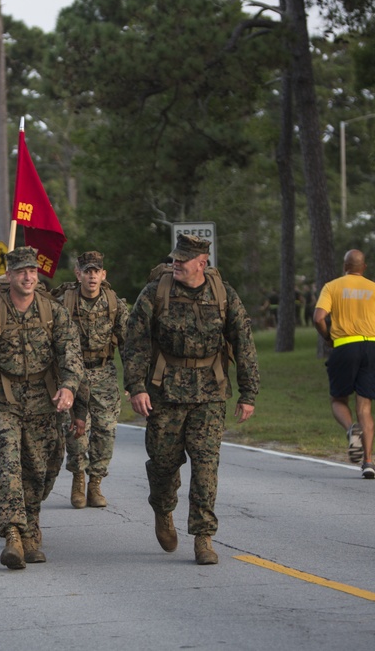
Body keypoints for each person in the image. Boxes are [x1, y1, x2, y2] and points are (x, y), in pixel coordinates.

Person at [123, 234, 259, 566]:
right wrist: (136, 387)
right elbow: (135, 342)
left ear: (203, 262)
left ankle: (203, 537)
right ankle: (162, 509)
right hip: (165, 392)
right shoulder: (156, 292)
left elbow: (243, 342)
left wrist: (248, 392)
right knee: (164, 465)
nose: (176, 264)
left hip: (210, 392)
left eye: (183, 260)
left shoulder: (223, 294)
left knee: (206, 465)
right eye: (175, 259)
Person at [0, 246, 84, 570]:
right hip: (2, 400)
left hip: (44, 401)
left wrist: (69, 387)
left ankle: (31, 525)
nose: (28, 277)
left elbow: (71, 354)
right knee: (12, 465)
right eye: (20, 272)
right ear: (9, 275)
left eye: (32, 271)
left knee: (43, 468)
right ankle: (14, 535)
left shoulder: (52, 311)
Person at [53, 251, 129, 509]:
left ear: (103, 275)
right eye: (87, 271)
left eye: (96, 271)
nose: (92, 275)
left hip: (104, 373)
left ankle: (95, 483)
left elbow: (129, 343)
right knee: (76, 431)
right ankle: (78, 479)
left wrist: (134, 382)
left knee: (106, 430)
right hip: (73, 376)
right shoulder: (65, 302)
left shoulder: (113, 302)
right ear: (78, 274)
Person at [313, 249, 375, 480]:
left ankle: (351, 429)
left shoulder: (332, 287)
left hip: (345, 346)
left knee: (338, 399)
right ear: (364, 267)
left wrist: (328, 337)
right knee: (365, 406)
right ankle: (368, 462)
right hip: (372, 348)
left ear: (344, 266)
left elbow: (318, 317)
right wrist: (369, 330)